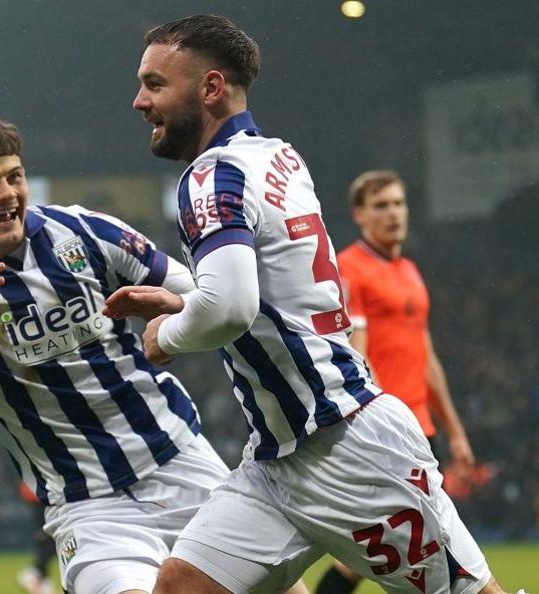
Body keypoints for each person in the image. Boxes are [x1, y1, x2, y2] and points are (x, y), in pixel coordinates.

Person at [106, 14, 513, 594]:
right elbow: (269, 294)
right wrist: (185, 295)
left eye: (155, 83)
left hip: (350, 450)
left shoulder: (211, 175)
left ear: (211, 88)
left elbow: (230, 310)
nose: (139, 100)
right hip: (278, 460)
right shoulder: (278, 160)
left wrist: (165, 334)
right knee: (182, 585)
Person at [0, 112, 252, 594]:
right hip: (89, 505)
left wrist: (171, 312)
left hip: (181, 460)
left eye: (15, 176)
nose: (7, 194)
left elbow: (192, 289)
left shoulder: (84, 232)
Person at [311, 169, 478, 593]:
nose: (394, 214)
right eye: (381, 205)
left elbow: (427, 358)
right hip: (390, 431)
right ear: (359, 215)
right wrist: (385, 424)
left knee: (407, 548)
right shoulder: (350, 269)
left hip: (423, 428)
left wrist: (455, 432)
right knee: (413, 548)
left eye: (399, 203)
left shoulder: (409, 272)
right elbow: (360, 355)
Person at [16, 482, 57, 594]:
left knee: (48, 542)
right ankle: (34, 573)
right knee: (49, 542)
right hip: (42, 498)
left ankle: (42, 580)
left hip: (45, 496)